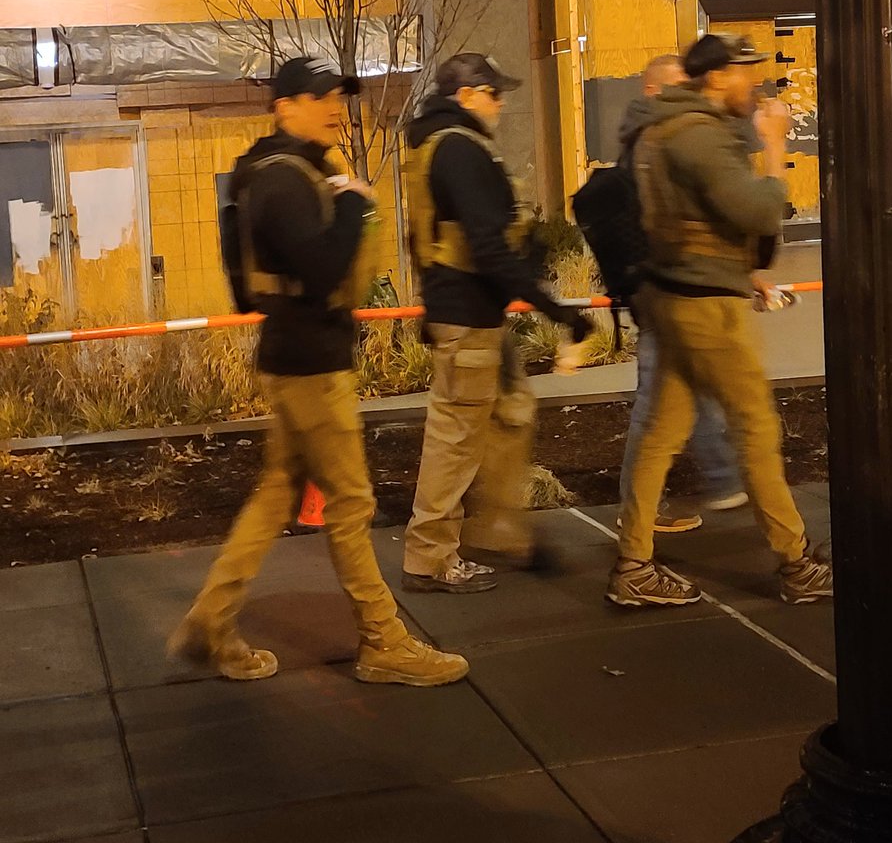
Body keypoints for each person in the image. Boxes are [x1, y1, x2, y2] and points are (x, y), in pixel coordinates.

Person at [168, 55, 469, 686]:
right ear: (285, 107)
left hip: (289, 353)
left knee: (277, 492)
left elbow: (246, 288)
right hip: (312, 363)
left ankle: (210, 621)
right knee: (351, 504)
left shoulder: (267, 176)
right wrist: (356, 205)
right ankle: (384, 641)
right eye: (321, 97)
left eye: (339, 96)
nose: (336, 107)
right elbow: (324, 270)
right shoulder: (286, 181)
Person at [607, 35, 833, 608]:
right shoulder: (700, 135)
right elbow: (759, 210)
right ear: (716, 76)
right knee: (755, 427)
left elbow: (694, 219)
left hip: (674, 293)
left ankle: (633, 565)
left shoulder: (661, 129)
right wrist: (775, 145)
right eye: (745, 72)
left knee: (661, 432)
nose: (754, 84)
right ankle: (796, 563)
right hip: (706, 309)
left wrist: (737, 269)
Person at [402, 53, 592, 593]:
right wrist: (557, 310)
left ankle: (494, 532)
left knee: (506, 418)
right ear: (465, 96)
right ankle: (429, 557)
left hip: (470, 314)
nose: (501, 103)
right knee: (455, 441)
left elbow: (436, 238)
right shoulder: (458, 149)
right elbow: (486, 246)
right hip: (468, 316)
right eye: (493, 93)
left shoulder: (440, 146)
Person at [618, 54, 748, 535]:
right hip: (663, 287)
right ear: (654, 91)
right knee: (656, 401)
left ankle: (721, 477)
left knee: (686, 391)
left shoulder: (652, 137)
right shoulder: (652, 141)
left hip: (669, 285)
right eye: (678, 85)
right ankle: (641, 514)